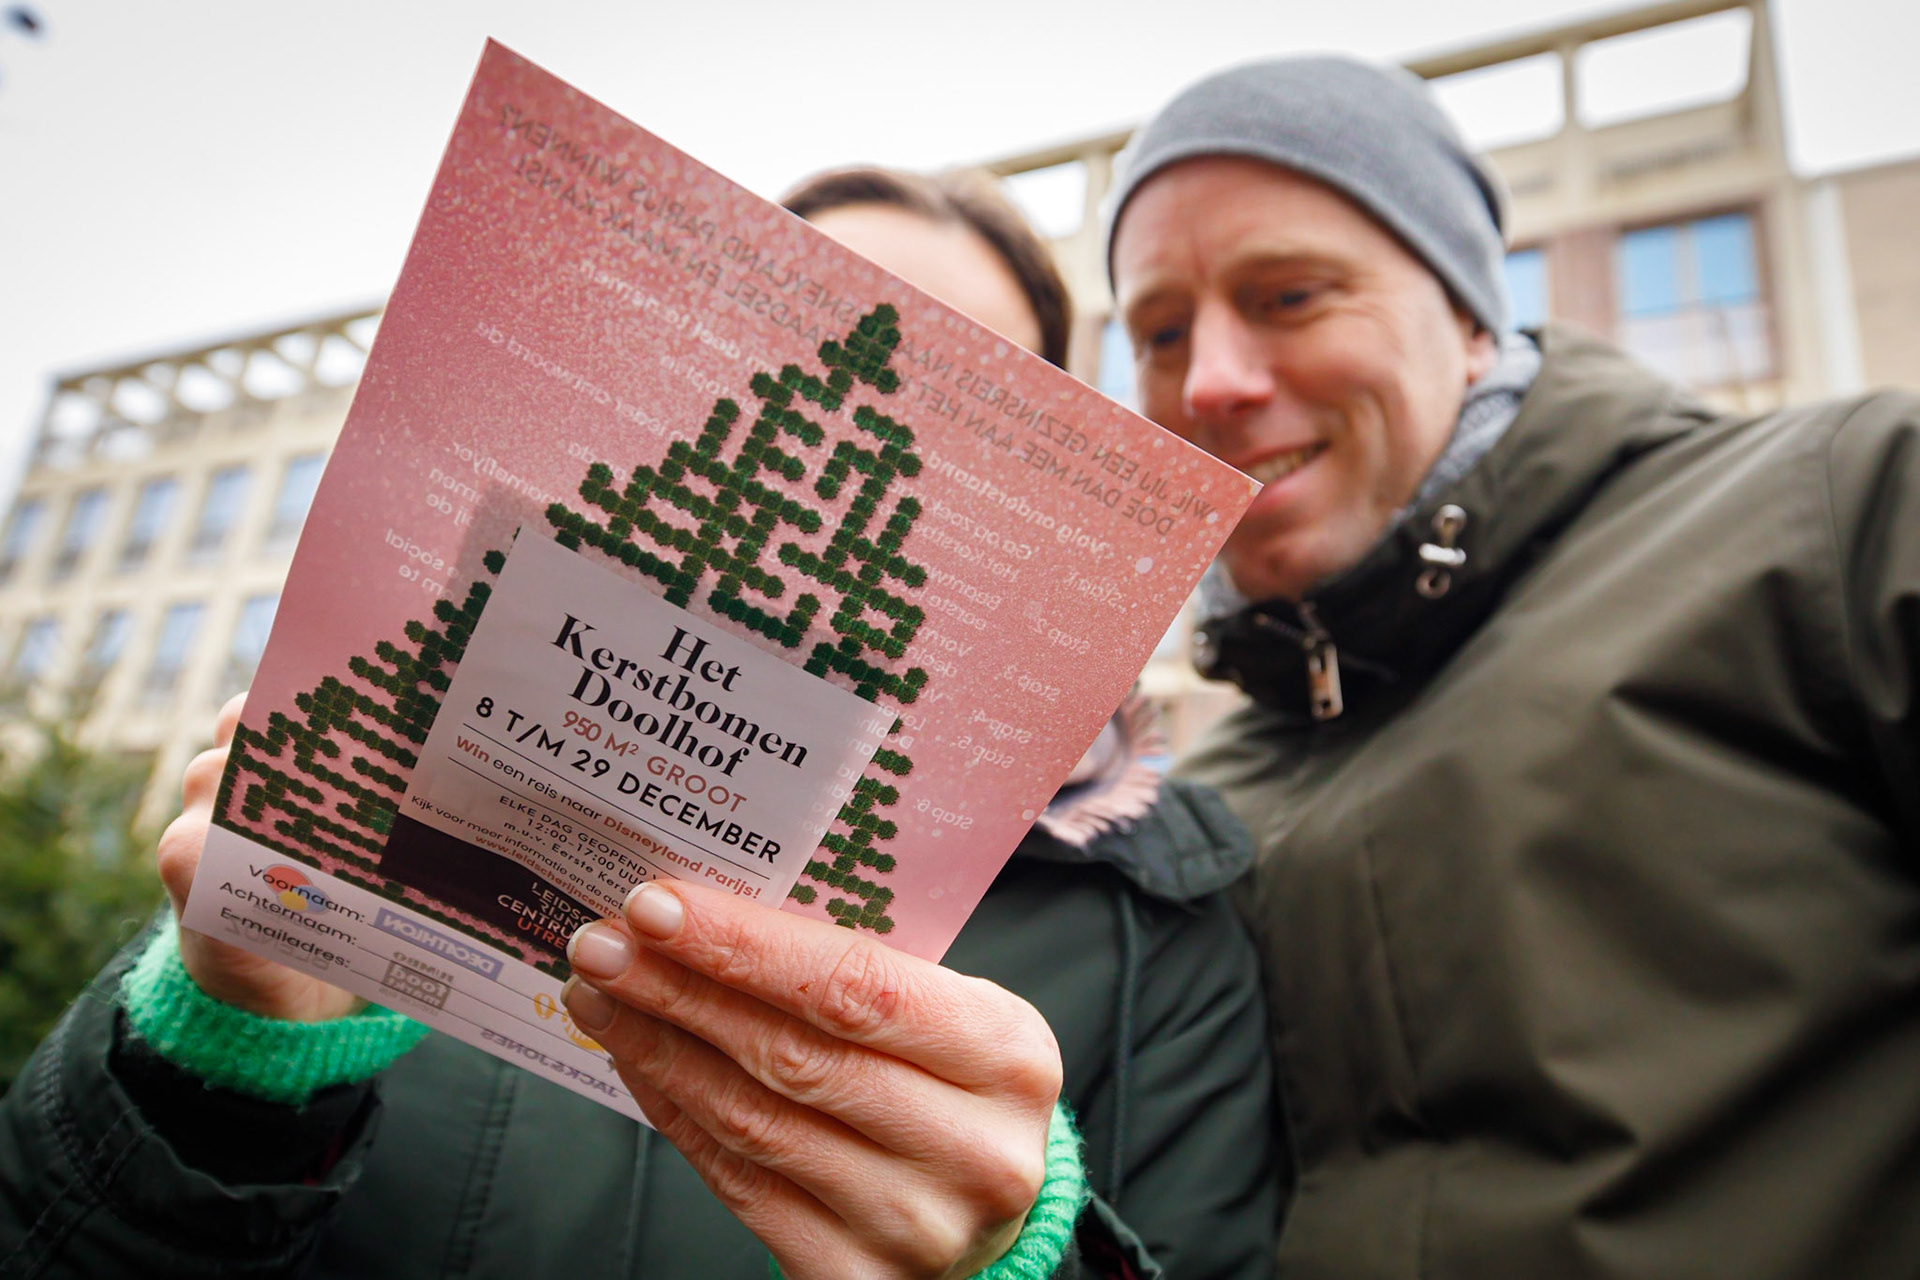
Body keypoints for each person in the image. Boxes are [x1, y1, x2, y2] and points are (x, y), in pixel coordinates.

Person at [0, 168, 1278, 1280]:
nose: (857, 407)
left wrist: (1011, 1256)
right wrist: (231, 1059)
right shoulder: (389, 752)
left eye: (969, 402)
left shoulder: (1152, 902)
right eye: (804, 335)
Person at [1103, 56, 1920, 1279]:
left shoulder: (1843, 514)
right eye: (1160, 331)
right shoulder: (1195, 799)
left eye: (1290, 295)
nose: (1209, 379)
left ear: (1473, 318)